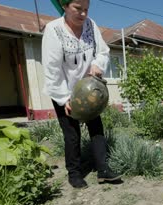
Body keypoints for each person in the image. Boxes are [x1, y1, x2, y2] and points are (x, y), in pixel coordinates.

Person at [43, 0, 120, 188]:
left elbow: (103, 52)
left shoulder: (90, 25)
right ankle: (74, 173)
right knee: (71, 134)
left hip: (88, 90)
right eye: (78, 9)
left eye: (86, 9)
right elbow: (52, 70)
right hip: (64, 90)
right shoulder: (53, 30)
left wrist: (97, 64)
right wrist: (63, 98)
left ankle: (103, 170)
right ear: (64, 6)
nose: (83, 14)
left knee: (96, 128)